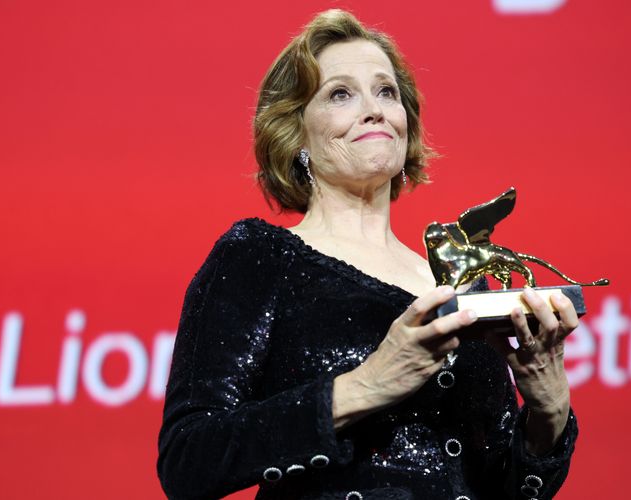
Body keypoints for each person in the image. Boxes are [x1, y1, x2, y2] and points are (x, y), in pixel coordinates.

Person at [157, 9, 578, 500]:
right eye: (340, 94)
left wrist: (548, 411)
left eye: (387, 92)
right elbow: (188, 459)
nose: (376, 109)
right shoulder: (260, 258)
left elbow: (501, 488)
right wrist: (366, 386)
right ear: (296, 137)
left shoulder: (464, 288)